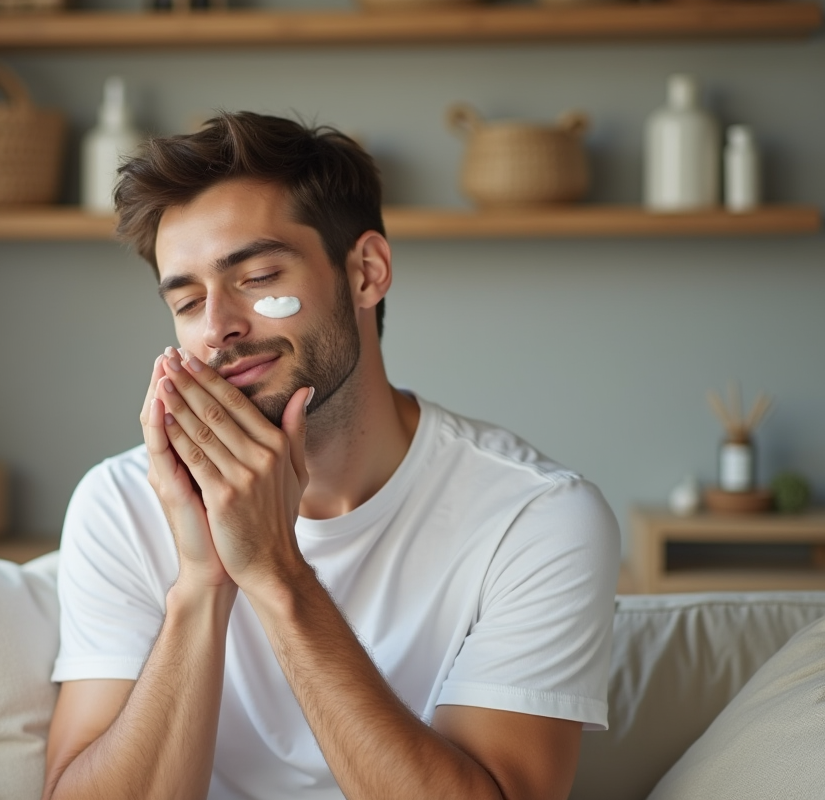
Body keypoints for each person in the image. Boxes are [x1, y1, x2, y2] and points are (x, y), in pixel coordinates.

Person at [42, 111, 620, 800]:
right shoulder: (121, 503)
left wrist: (276, 572)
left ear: (367, 272)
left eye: (256, 276)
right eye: (189, 299)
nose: (218, 326)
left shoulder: (535, 518)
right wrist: (203, 583)